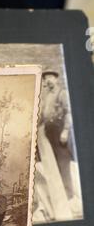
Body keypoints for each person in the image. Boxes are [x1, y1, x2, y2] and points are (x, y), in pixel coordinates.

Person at [40, 71, 74, 201]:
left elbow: (68, 112)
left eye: (50, 77)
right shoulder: (47, 95)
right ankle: (61, 194)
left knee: (63, 163)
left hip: (60, 132)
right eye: (46, 78)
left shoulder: (62, 93)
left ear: (56, 79)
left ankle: (69, 195)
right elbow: (44, 115)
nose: (48, 80)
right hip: (49, 133)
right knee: (54, 163)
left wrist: (65, 130)